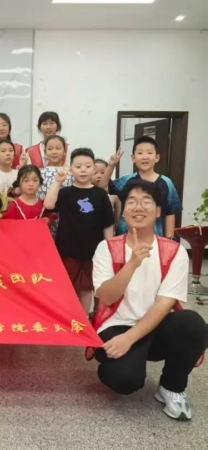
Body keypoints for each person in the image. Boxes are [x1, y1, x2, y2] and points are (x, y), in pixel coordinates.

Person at [92, 179, 207, 421]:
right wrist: (132, 264)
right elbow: (106, 296)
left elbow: (165, 304)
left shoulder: (174, 252)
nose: (138, 207)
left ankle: (172, 387)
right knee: (124, 380)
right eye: (131, 201)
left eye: (146, 201)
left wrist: (130, 339)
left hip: (156, 327)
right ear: (123, 211)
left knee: (192, 324)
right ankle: (121, 364)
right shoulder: (106, 248)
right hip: (116, 325)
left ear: (157, 211)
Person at [44, 148, 115, 315]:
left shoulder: (100, 194)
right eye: (78, 166)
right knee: (67, 287)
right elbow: (48, 204)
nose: (83, 170)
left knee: (86, 287)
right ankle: (69, 320)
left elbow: (108, 224)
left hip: (93, 251)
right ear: (71, 169)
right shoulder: (65, 192)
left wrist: (108, 249)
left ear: (93, 168)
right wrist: (58, 182)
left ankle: (82, 321)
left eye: (87, 166)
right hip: (67, 250)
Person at [98, 136, 181, 239]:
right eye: (140, 153)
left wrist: (170, 239)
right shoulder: (126, 180)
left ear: (157, 157)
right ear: (133, 158)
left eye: (149, 153)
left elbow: (170, 212)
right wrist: (111, 165)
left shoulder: (166, 182)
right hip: (125, 237)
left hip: (154, 239)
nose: (145, 157)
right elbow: (102, 186)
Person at [37, 135, 74, 236]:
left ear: (64, 151)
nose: (54, 152)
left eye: (58, 148)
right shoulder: (38, 173)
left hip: (65, 219)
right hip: (44, 218)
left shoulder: (71, 173)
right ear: (45, 152)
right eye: (50, 149)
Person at [93, 158, 121, 228]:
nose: (99, 176)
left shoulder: (115, 195)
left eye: (103, 173)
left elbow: (117, 219)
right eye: (95, 173)